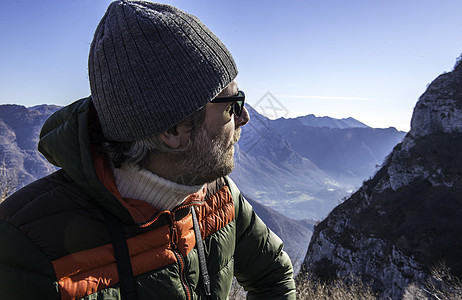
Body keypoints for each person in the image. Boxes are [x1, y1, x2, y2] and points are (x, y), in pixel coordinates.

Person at [0, 1, 295, 299]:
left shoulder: (218, 196)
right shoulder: (28, 248)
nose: (244, 117)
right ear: (172, 130)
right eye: (232, 104)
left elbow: (274, 276)